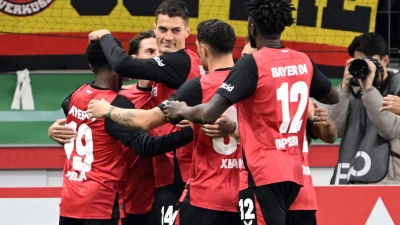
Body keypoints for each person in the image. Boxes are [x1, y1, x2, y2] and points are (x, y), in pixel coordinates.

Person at [160, 0, 339, 224]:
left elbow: (207, 114)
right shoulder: (303, 60)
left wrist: (182, 109)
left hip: (262, 174)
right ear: (282, 26)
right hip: (295, 174)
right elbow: (333, 97)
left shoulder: (252, 64)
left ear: (252, 27)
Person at [86, 19, 242, 225]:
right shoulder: (249, 80)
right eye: (162, 31)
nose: (159, 56)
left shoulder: (196, 86)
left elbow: (148, 123)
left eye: (175, 30)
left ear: (202, 49)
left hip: (197, 188)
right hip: (242, 187)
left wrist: (107, 111)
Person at [50, 40, 193, 225]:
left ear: (91, 65)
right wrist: (193, 131)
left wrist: (56, 130)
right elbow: (146, 147)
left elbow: (80, 126)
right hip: (102, 202)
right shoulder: (116, 104)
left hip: (71, 199)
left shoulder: (76, 95)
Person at [327, 32, 400, 185]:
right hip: (349, 177)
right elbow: (333, 131)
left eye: (370, 62)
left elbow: (390, 129)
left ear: (385, 60)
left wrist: (368, 90)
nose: (365, 67)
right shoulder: (351, 88)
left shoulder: (397, 85)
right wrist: (343, 88)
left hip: (388, 178)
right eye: (359, 62)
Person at [286, 100, 337, 225]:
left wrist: (327, 123)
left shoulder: (303, 100)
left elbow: (330, 137)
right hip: (269, 193)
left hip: (302, 198)